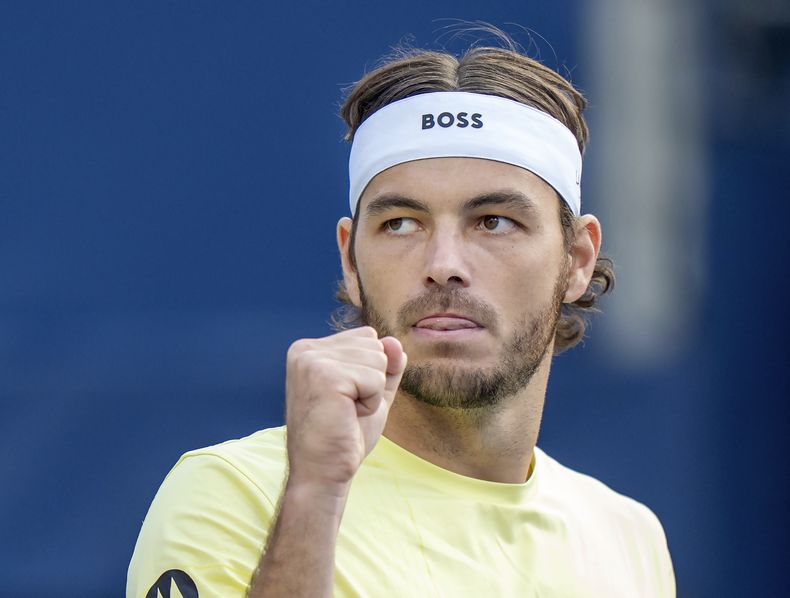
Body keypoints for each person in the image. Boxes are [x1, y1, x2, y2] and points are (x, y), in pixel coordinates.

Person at [127, 36, 676, 598]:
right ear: (351, 259)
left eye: (493, 221)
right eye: (401, 224)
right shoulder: (231, 494)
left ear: (577, 260)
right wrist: (314, 499)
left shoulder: (629, 538)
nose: (443, 266)